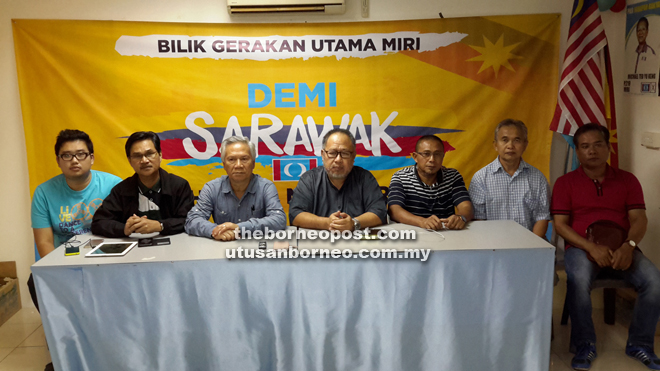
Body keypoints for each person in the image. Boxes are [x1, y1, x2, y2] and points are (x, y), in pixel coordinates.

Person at [551, 123, 660, 371]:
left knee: (654, 280)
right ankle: (584, 345)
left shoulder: (627, 180)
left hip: (622, 245)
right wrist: (591, 247)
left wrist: (628, 246)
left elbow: (639, 219)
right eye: (585, 147)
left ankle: (640, 345)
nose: (592, 151)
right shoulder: (565, 183)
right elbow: (560, 225)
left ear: (608, 148)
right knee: (578, 280)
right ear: (577, 152)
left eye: (598, 144)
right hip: (581, 247)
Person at [29, 129, 121, 371]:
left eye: (80, 154)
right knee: (34, 282)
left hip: (106, 258)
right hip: (65, 260)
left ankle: (113, 346)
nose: (74, 160)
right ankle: (66, 347)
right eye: (66, 155)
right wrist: (60, 272)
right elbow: (44, 242)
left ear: (92, 157)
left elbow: (125, 231)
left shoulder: (113, 184)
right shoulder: (44, 192)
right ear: (58, 160)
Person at [92, 131, 194, 237]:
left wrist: (160, 225)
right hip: (134, 247)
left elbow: (190, 220)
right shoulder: (122, 190)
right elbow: (99, 222)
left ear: (160, 155)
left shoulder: (179, 186)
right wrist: (124, 229)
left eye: (149, 154)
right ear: (129, 161)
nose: (144, 160)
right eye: (137, 156)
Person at [185, 136, 286, 241]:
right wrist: (216, 231)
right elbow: (192, 220)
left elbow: (279, 219)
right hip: (221, 247)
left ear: (253, 163)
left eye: (244, 159)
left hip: (257, 248)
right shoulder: (212, 188)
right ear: (224, 165)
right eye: (231, 159)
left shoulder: (266, 187)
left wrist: (240, 228)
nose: (238, 165)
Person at [289, 128, 387, 231]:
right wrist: (327, 223)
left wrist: (353, 223)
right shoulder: (309, 179)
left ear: (353, 156)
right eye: (332, 153)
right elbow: (295, 214)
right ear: (323, 155)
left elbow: (380, 212)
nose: (338, 159)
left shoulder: (365, 178)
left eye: (345, 153)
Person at [469, 119, 550, 237]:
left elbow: (542, 217)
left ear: (525, 145)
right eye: (504, 140)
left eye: (516, 140)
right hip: (492, 246)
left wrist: (532, 248)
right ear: (495, 145)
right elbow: (478, 219)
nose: (510, 146)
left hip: (529, 245)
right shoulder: (481, 178)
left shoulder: (538, 178)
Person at [388, 135, 473, 230]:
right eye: (426, 154)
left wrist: (461, 217)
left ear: (443, 156)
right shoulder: (400, 177)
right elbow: (394, 210)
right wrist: (422, 221)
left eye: (437, 154)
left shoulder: (452, 176)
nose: (432, 159)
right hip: (413, 234)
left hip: (447, 233)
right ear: (415, 157)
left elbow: (465, 205)